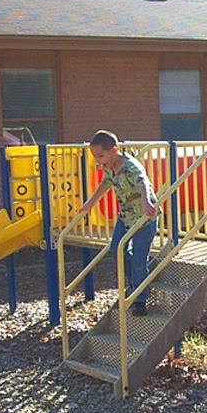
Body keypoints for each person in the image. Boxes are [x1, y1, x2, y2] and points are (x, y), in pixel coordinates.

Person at [80, 130, 158, 316]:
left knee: (140, 258)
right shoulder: (109, 167)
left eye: (101, 156)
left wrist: (147, 201)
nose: (98, 161)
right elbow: (105, 184)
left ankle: (140, 299)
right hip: (125, 216)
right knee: (116, 249)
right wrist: (90, 203)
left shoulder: (131, 166)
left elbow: (143, 182)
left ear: (114, 150)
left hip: (143, 219)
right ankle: (137, 282)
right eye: (95, 157)